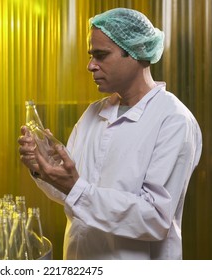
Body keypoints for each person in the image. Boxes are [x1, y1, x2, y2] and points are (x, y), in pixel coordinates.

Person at [18, 8, 202, 260]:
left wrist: (75, 186)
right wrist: (45, 168)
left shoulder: (173, 120)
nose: (90, 65)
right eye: (91, 55)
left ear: (136, 53)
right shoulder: (94, 114)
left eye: (101, 55)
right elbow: (72, 195)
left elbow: (155, 218)